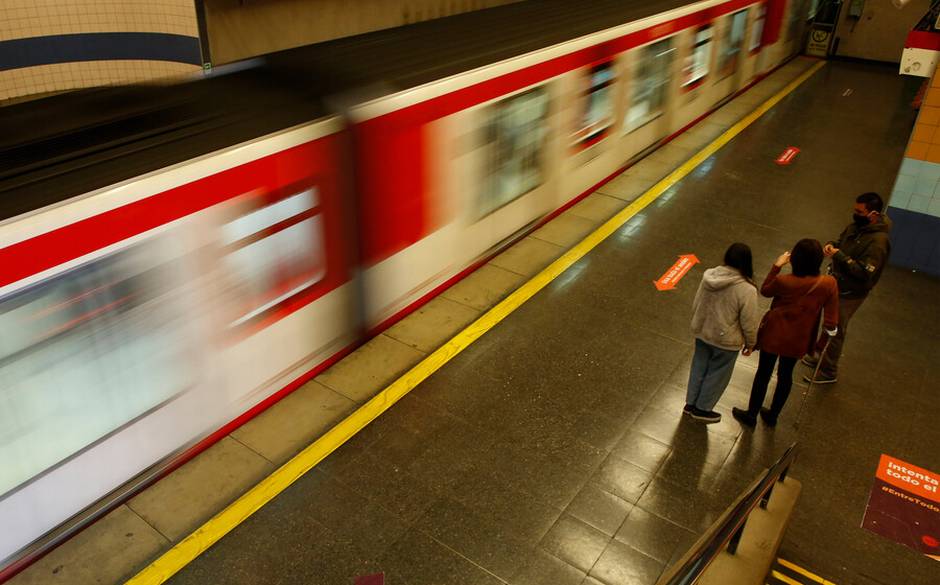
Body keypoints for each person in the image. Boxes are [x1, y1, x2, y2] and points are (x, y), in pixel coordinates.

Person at [732, 239, 839, 427]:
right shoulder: (829, 284)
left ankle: (751, 414)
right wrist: (819, 346)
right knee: (786, 375)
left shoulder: (784, 281)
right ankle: (773, 415)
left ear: (795, 259)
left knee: (763, 374)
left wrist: (776, 266)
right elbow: (831, 323)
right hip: (799, 338)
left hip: (774, 334)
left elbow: (765, 290)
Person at [802, 192, 891, 384]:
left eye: (859, 211)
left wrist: (840, 256)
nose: (855, 213)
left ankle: (828, 371)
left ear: (873, 214)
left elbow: (865, 272)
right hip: (836, 284)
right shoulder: (856, 227)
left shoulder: (878, 243)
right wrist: (830, 245)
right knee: (828, 322)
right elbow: (840, 241)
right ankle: (819, 355)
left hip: (851, 292)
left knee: (836, 329)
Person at [685, 243, 760, 424]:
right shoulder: (747, 289)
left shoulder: (709, 276)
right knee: (717, 374)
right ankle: (703, 408)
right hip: (726, 341)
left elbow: (697, 303)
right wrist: (751, 343)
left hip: (703, 332)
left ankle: (690, 404)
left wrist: (698, 324)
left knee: (699, 367)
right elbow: (748, 322)